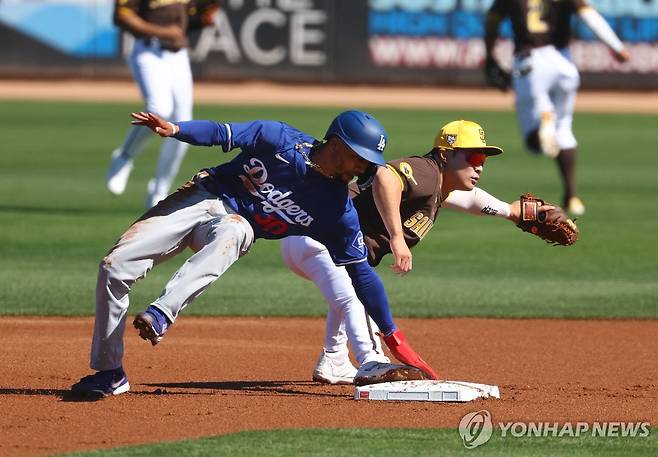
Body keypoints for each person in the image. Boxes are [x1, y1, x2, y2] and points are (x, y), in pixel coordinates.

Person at [71, 110, 439, 397]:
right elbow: (221, 133)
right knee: (114, 267)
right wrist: (176, 130)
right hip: (203, 198)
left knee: (236, 228)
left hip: (231, 230)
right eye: (360, 159)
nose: (364, 168)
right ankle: (110, 372)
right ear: (337, 145)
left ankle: (163, 312)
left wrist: (392, 334)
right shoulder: (277, 138)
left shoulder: (337, 210)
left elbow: (362, 275)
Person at [281, 120, 548, 385]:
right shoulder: (427, 171)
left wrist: (510, 212)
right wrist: (397, 238)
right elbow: (386, 176)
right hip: (316, 240)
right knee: (355, 297)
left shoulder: (438, 186)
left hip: (314, 242)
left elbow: (471, 198)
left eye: (483, 159)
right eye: (472, 156)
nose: (478, 165)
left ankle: (335, 359)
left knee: (350, 290)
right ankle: (373, 361)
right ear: (445, 154)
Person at [484, 0, 629, 216]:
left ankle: (544, 121)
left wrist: (490, 56)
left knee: (534, 143)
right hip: (564, 64)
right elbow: (591, 17)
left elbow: (492, 22)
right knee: (564, 130)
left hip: (530, 63)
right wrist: (616, 47)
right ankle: (572, 197)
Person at [106, 0, 217, 208]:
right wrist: (166, 32)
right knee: (160, 109)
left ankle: (159, 189)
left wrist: (202, 15)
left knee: (183, 125)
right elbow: (122, 16)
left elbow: (197, 14)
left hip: (177, 55)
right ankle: (124, 156)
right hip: (148, 50)